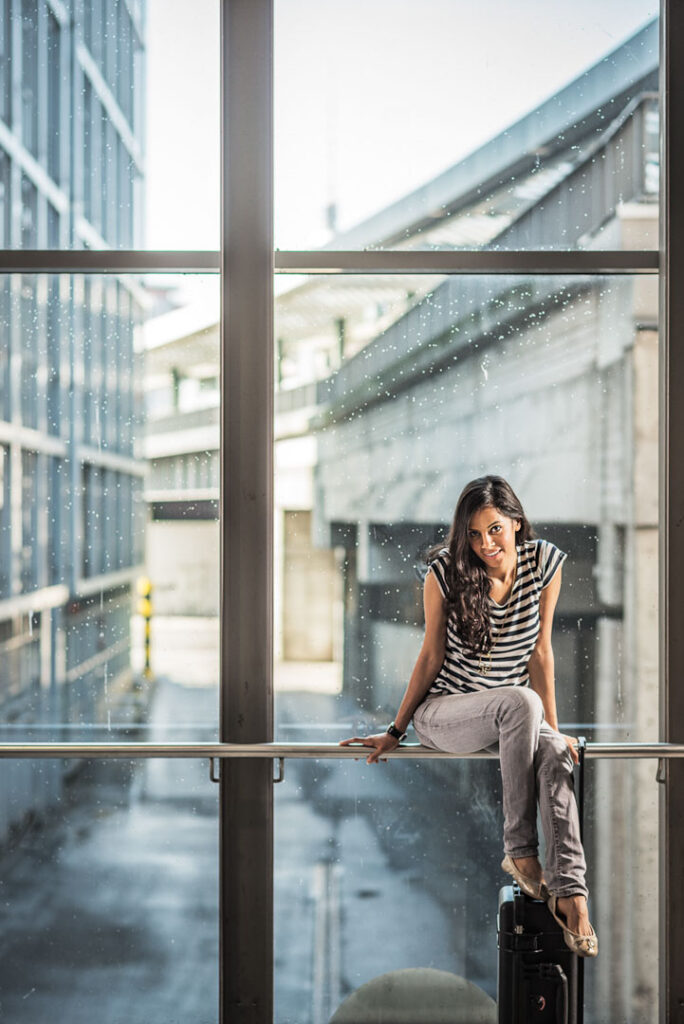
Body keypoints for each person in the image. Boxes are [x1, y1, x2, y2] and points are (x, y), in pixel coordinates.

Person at [340, 474, 598, 958]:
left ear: (517, 523)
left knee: (556, 756)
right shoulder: (445, 572)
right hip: (444, 714)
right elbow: (429, 657)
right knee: (522, 702)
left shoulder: (544, 564)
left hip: (511, 716)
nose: (485, 544)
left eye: (495, 530)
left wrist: (555, 734)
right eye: (475, 535)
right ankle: (520, 850)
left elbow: (541, 653)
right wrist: (397, 730)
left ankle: (571, 892)